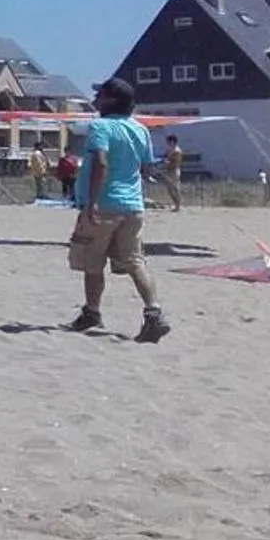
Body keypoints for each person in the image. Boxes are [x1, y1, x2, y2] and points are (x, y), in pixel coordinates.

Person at [67, 78, 170, 342]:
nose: (96, 99)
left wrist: (91, 202)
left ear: (110, 100)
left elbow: (100, 163)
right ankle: (153, 312)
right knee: (135, 260)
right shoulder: (140, 129)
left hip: (105, 204)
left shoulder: (100, 126)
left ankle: (92, 312)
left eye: (100, 95)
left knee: (93, 261)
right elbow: (147, 168)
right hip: (133, 205)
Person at [158, 133, 185, 212]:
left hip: (174, 171)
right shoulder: (168, 150)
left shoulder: (177, 151)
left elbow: (176, 163)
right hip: (167, 171)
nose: (167, 143)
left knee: (175, 188)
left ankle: (178, 206)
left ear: (173, 141)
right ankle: (175, 204)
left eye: (169, 141)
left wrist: (168, 163)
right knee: (169, 189)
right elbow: (164, 157)